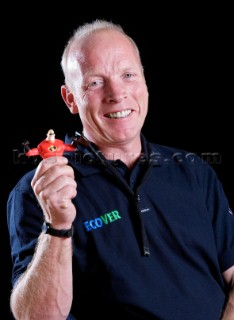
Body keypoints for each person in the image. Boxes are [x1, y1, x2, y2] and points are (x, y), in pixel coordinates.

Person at [7, 19, 234, 320]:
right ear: (70, 99)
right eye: (95, 82)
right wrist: (58, 224)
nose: (117, 93)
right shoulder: (41, 191)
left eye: (128, 75)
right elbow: (35, 317)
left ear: (144, 81)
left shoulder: (194, 172)